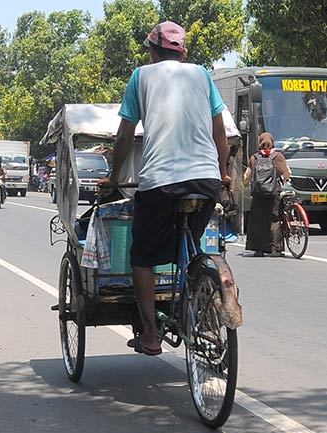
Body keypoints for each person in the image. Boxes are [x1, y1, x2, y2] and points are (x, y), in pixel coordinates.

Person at [99, 21, 230, 356]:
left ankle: (151, 336)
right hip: (206, 181)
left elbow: (125, 135)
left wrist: (114, 177)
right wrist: (222, 173)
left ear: (152, 51)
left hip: (160, 183)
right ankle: (199, 294)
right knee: (190, 247)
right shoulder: (202, 74)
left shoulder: (140, 76)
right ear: (182, 53)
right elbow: (220, 134)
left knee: (142, 258)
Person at [244, 132, 291, 257]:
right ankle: (275, 249)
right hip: (274, 192)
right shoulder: (278, 156)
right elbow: (286, 173)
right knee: (274, 218)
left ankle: (258, 249)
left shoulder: (254, 157)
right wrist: (285, 179)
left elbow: (247, 176)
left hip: (258, 194)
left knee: (257, 219)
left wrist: (247, 184)